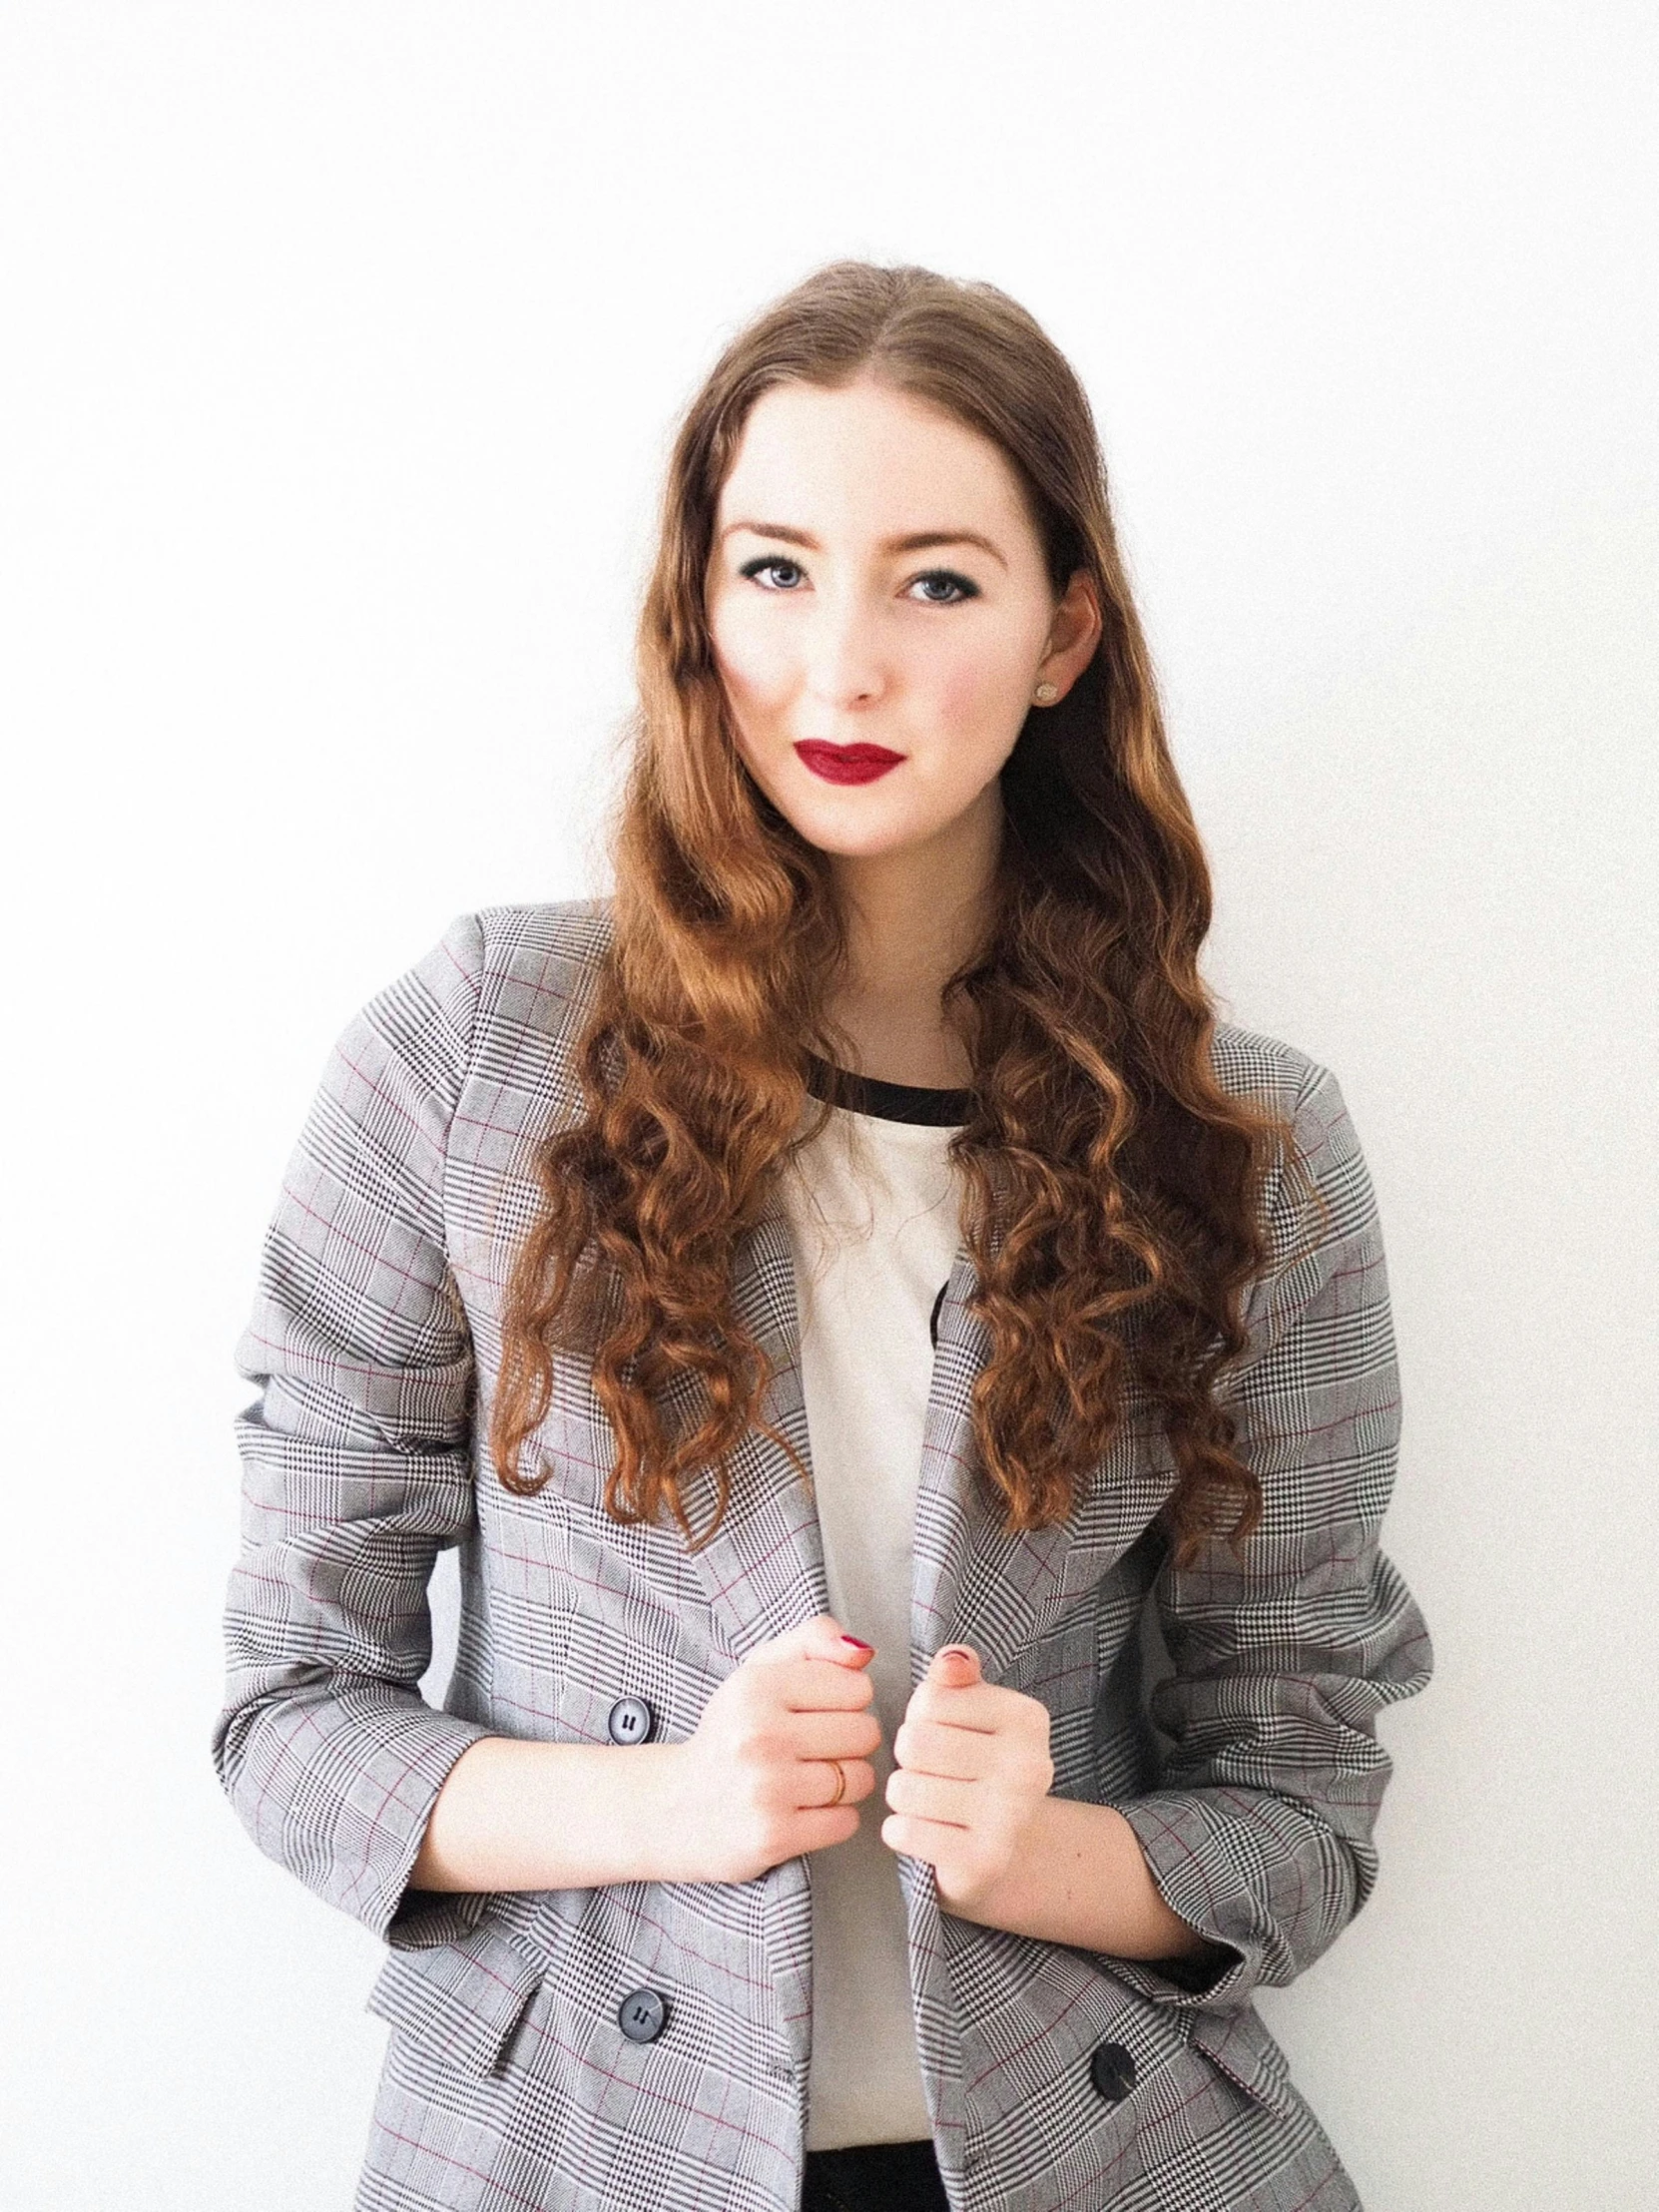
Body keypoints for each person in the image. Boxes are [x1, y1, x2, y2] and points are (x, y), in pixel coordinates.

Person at [212, 259, 1432, 2212]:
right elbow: (289, 1708)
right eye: (776, 570)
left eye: (936, 581)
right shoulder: (471, 1061)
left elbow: (1303, 1784)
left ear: (1063, 636)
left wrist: (1051, 1856)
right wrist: (671, 1805)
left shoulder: (1246, 1155)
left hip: (1089, 2145)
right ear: (698, 599)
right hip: (581, 2155)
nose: (841, 667)